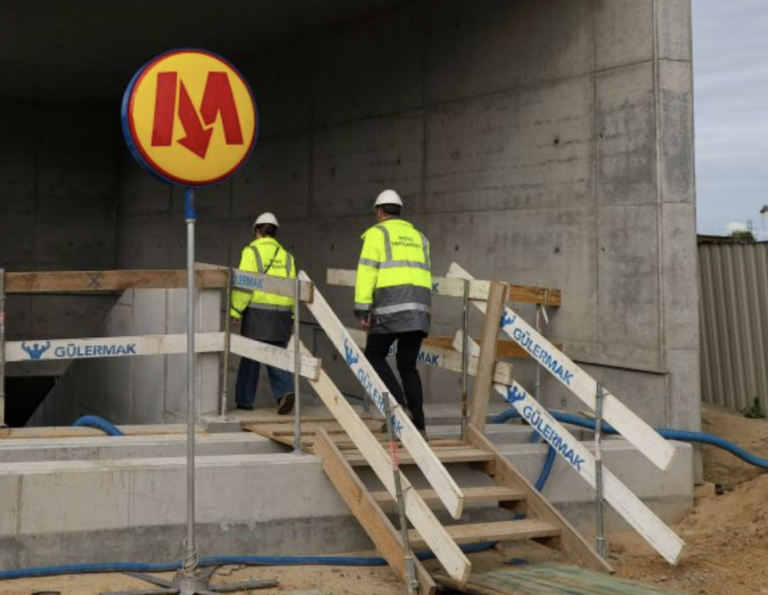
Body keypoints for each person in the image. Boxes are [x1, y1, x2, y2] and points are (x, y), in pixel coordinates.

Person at [354, 190, 432, 438]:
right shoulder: (420, 238)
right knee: (408, 366)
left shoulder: (377, 234)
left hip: (390, 308)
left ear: (379, 212)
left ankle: (400, 409)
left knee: (374, 355)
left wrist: (362, 308)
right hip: (419, 311)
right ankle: (419, 425)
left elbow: (367, 273)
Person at [231, 212, 296, 414]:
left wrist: (235, 310)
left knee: (250, 357)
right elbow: (293, 287)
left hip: (257, 314)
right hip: (282, 316)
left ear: (258, 231)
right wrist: (292, 314)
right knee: (276, 354)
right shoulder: (287, 257)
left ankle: (244, 401)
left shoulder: (251, 252)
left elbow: (244, 284)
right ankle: (285, 391)